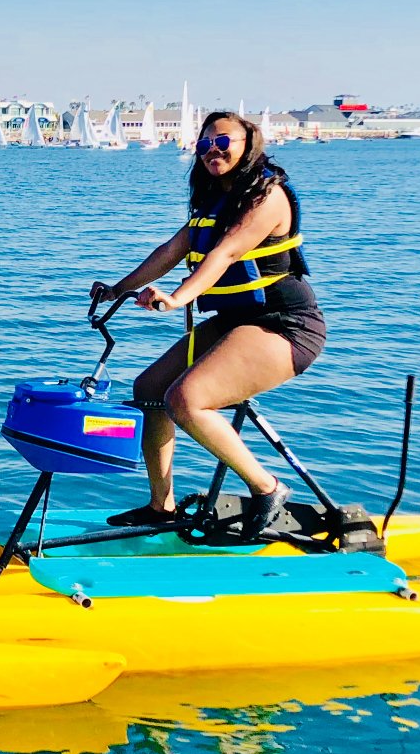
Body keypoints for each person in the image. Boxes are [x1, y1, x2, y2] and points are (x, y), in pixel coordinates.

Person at [92, 110, 325, 543]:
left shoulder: (267, 195)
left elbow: (227, 255)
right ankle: (160, 508)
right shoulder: (214, 200)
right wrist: (117, 291)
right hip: (235, 321)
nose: (212, 152)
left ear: (247, 144)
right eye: (203, 145)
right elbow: (173, 249)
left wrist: (177, 298)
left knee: (186, 399)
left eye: (223, 143)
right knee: (149, 392)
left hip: (285, 326)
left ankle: (268, 488)